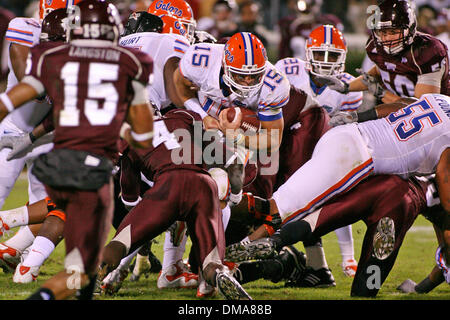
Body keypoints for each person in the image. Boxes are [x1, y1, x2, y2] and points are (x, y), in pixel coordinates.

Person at [0, 0, 155, 300]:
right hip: (92, 170)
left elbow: (14, 99)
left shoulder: (54, 59)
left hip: (57, 160)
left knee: (69, 240)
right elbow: (143, 133)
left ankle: (23, 259)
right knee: (81, 268)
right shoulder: (130, 63)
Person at [224, 93, 450, 292]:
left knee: (283, 210)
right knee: (276, 212)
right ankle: (234, 242)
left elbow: (404, 104)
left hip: (347, 135)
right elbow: (445, 186)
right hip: (357, 157)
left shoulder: (442, 100)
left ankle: (240, 242)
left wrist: (358, 116)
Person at [97, 109, 252, 300]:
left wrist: (156, 219)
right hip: (204, 186)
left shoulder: (127, 141)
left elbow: (131, 201)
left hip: (167, 187)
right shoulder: (183, 117)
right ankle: (217, 274)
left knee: (122, 241)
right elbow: (234, 163)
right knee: (211, 261)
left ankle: (94, 273)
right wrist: (235, 196)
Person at [274, 24, 363, 277]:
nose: (325, 61)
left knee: (333, 196)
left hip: (318, 151)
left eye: (332, 55)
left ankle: (348, 258)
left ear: (342, 58)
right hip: (282, 145)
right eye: (320, 54)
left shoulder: (347, 87)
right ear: (307, 54)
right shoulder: (288, 70)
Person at [0, 0, 81, 276]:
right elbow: (28, 80)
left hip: (50, 135)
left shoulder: (83, 45)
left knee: (53, 205)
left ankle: (14, 254)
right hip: (14, 131)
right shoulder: (24, 27)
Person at [318, 0, 449, 110]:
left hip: (438, 118)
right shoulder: (375, 45)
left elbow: (423, 110)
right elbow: (382, 69)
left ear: (410, 28)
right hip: (399, 110)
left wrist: (381, 94)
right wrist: (346, 86)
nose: (387, 39)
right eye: (382, 32)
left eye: (393, 31)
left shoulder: (427, 50)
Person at [277, 0, 343, 60]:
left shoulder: (328, 21)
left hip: (321, 56)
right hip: (298, 60)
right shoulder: (289, 22)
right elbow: (284, 46)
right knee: (297, 42)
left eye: (310, 5)